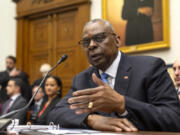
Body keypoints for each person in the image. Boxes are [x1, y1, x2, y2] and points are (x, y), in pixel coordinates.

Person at [47, 19, 180, 132]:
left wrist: (122, 103)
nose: (92, 46)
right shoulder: (82, 79)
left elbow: (174, 119)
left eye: (99, 38)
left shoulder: (149, 68)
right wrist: (90, 119)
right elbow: (55, 114)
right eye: (86, 42)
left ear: (117, 41)